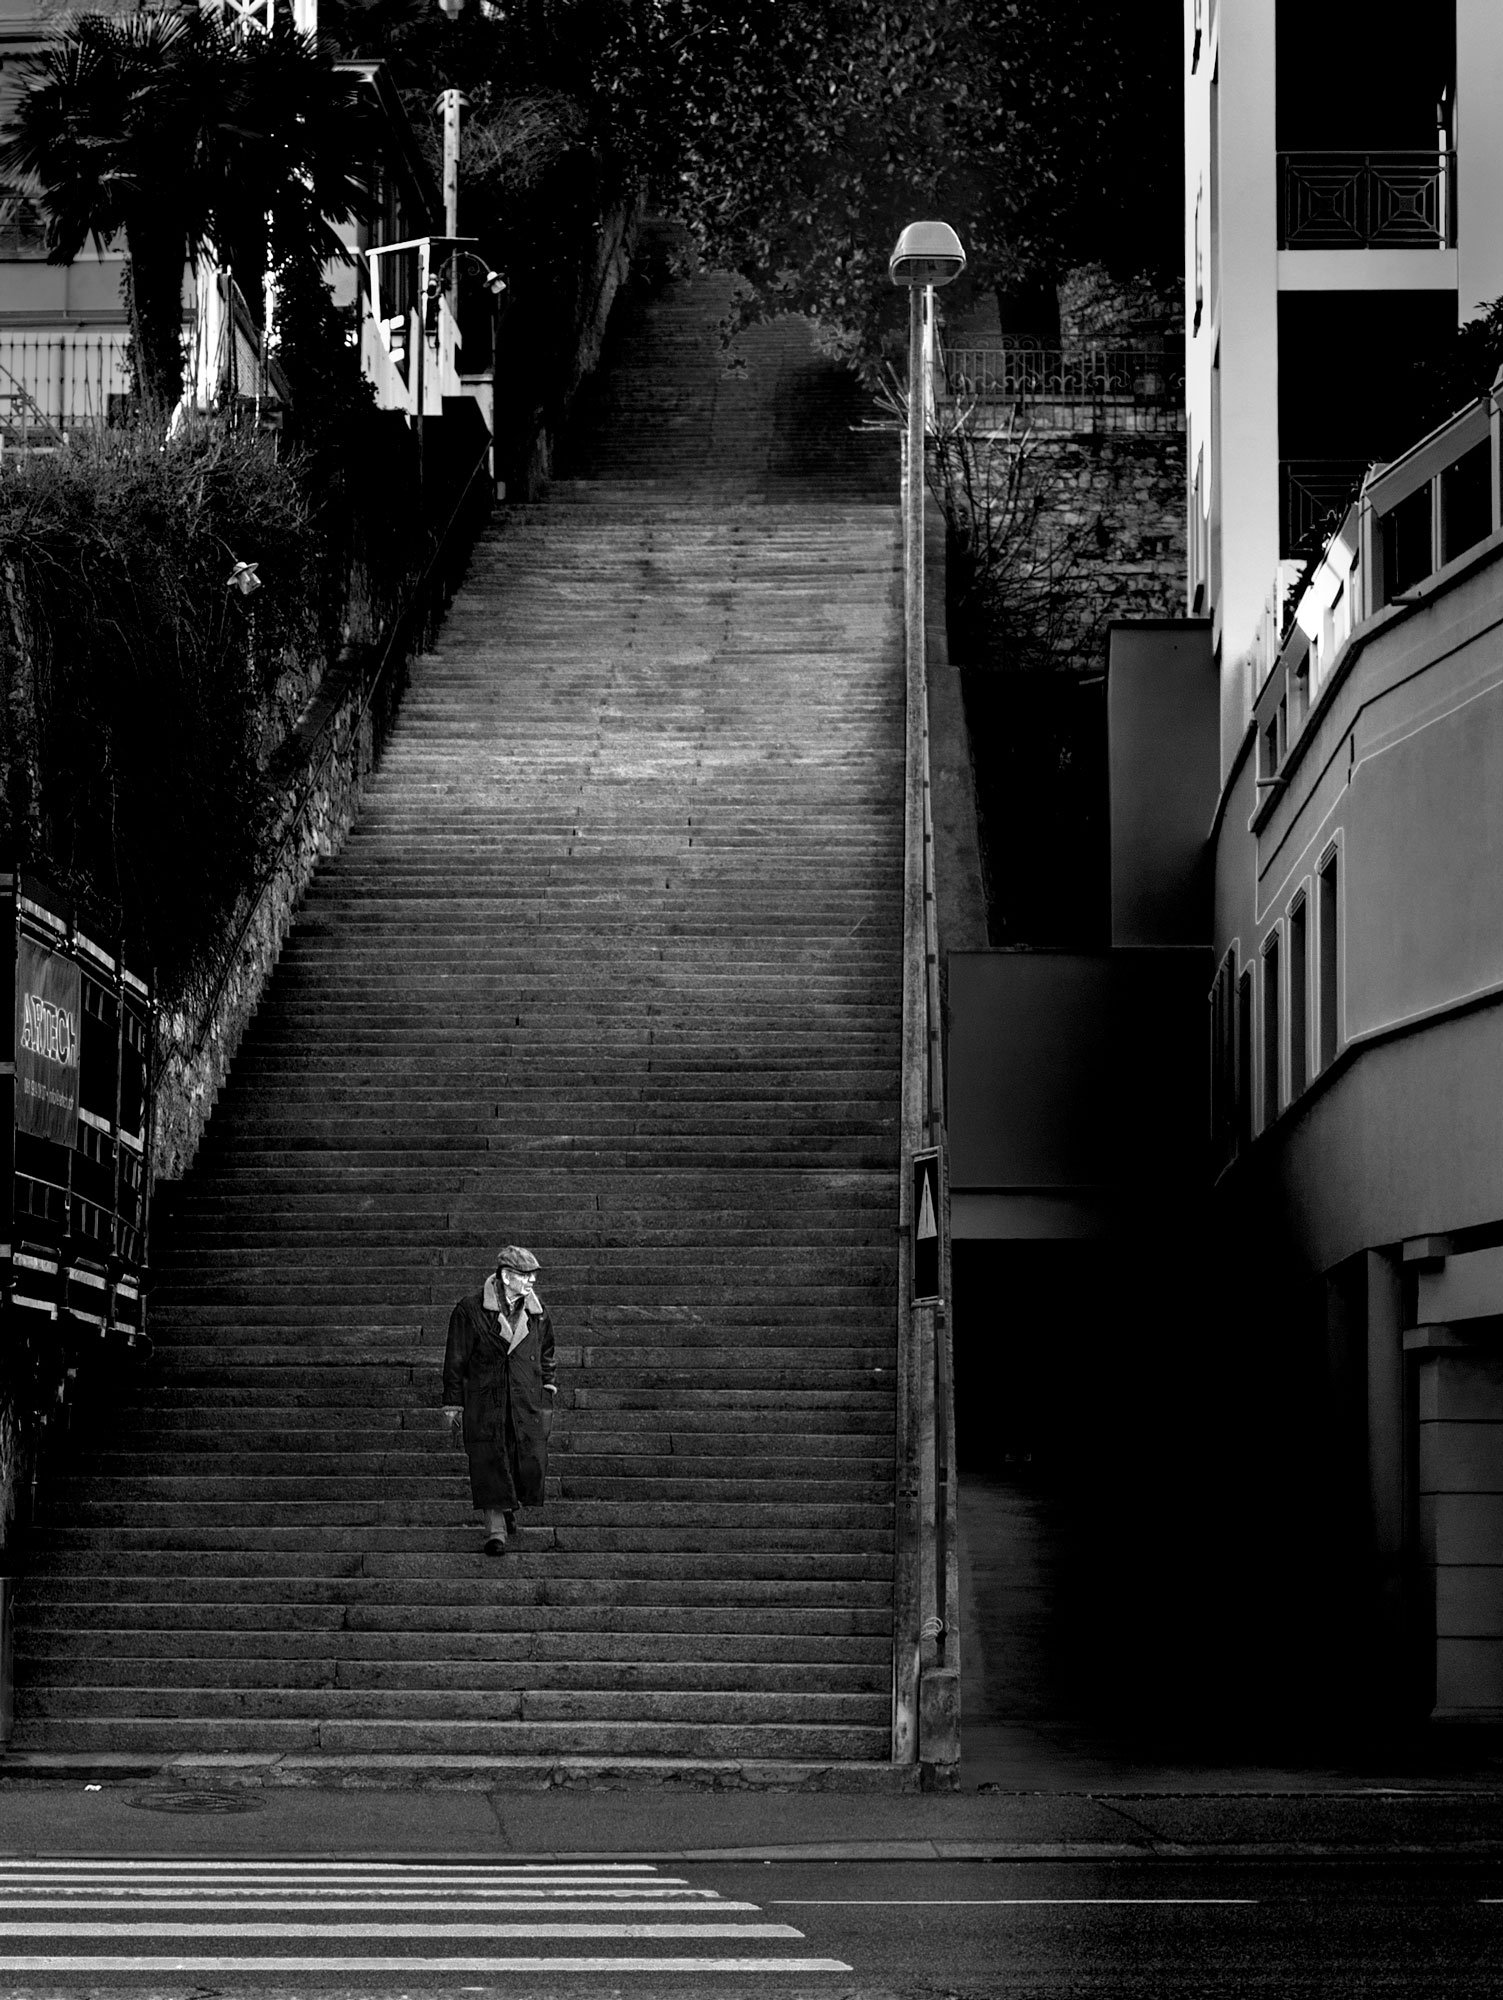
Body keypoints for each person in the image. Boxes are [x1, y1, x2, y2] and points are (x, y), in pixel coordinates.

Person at [442, 1244, 556, 1555]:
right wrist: (453, 1402)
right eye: (525, 1275)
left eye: (533, 1275)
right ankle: (495, 1531)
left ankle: (508, 1508)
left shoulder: (538, 1312)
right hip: (485, 1398)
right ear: (506, 1276)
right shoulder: (470, 1309)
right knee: (489, 1459)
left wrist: (548, 1386)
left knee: (524, 1458)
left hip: (523, 1398)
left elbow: (546, 1352)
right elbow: (456, 1358)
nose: (531, 1281)